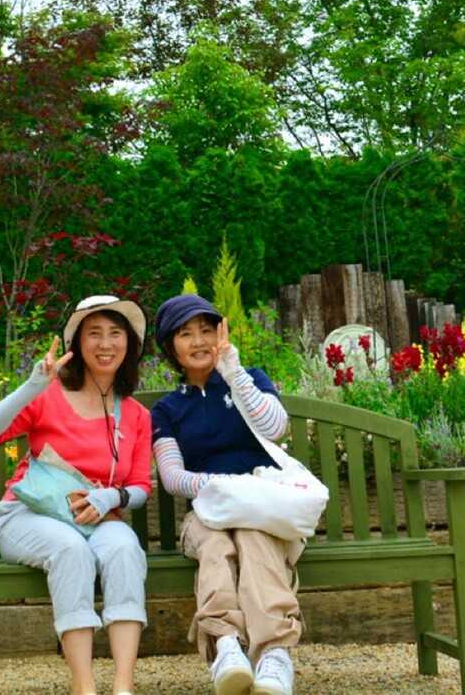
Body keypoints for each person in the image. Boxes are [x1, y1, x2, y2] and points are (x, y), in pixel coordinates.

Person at [0, 294, 154, 695]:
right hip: (28, 516)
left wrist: (112, 499)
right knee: (70, 550)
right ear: (77, 343)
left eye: (115, 333)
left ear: (130, 344)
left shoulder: (136, 415)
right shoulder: (48, 396)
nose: (105, 344)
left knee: (125, 549)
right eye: (94, 334)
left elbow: (141, 486)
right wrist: (33, 385)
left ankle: (123, 686)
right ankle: (83, 687)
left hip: (96, 519)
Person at [150, 293, 301, 695]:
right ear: (171, 347)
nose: (199, 341)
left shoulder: (250, 378)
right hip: (207, 513)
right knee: (215, 545)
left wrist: (232, 370)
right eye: (186, 334)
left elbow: (275, 428)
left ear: (221, 334)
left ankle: (275, 655)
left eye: (207, 330)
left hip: (265, 508)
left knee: (254, 539)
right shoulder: (167, 411)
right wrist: (221, 486)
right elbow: (172, 476)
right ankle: (226, 647)